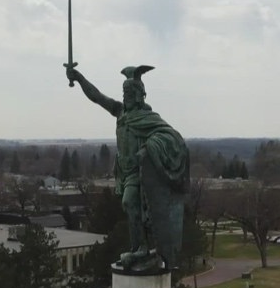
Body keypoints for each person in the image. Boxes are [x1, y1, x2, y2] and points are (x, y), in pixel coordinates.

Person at [66, 65, 189, 270]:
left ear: (140, 95)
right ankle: (140, 247)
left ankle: (141, 247)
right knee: (131, 207)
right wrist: (78, 78)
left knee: (130, 202)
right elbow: (97, 96)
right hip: (125, 172)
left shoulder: (148, 118)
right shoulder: (120, 112)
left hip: (140, 172)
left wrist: (149, 148)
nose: (126, 97)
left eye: (130, 93)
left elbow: (171, 136)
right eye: (124, 93)